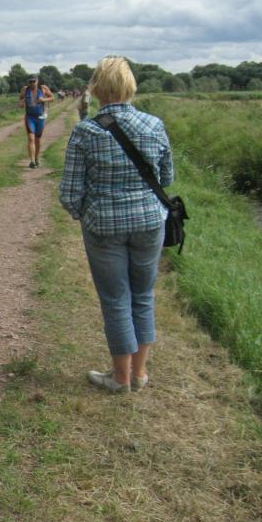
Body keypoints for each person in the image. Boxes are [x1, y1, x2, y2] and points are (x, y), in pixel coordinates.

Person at [58, 56, 173, 393]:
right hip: (149, 223)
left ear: (96, 87)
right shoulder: (154, 125)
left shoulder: (86, 131)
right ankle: (139, 374)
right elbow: (166, 177)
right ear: (130, 86)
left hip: (104, 227)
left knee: (116, 299)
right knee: (143, 296)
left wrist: (89, 213)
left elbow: (69, 194)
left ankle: (120, 379)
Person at [18, 75, 54, 168]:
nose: (32, 83)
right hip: (30, 117)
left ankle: (36, 158)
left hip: (40, 117)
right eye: (30, 82)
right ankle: (32, 161)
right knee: (31, 138)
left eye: (33, 81)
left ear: (37, 81)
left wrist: (44, 99)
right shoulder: (25, 89)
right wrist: (21, 103)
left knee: (37, 139)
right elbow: (20, 99)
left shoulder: (43, 88)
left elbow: (52, 98)